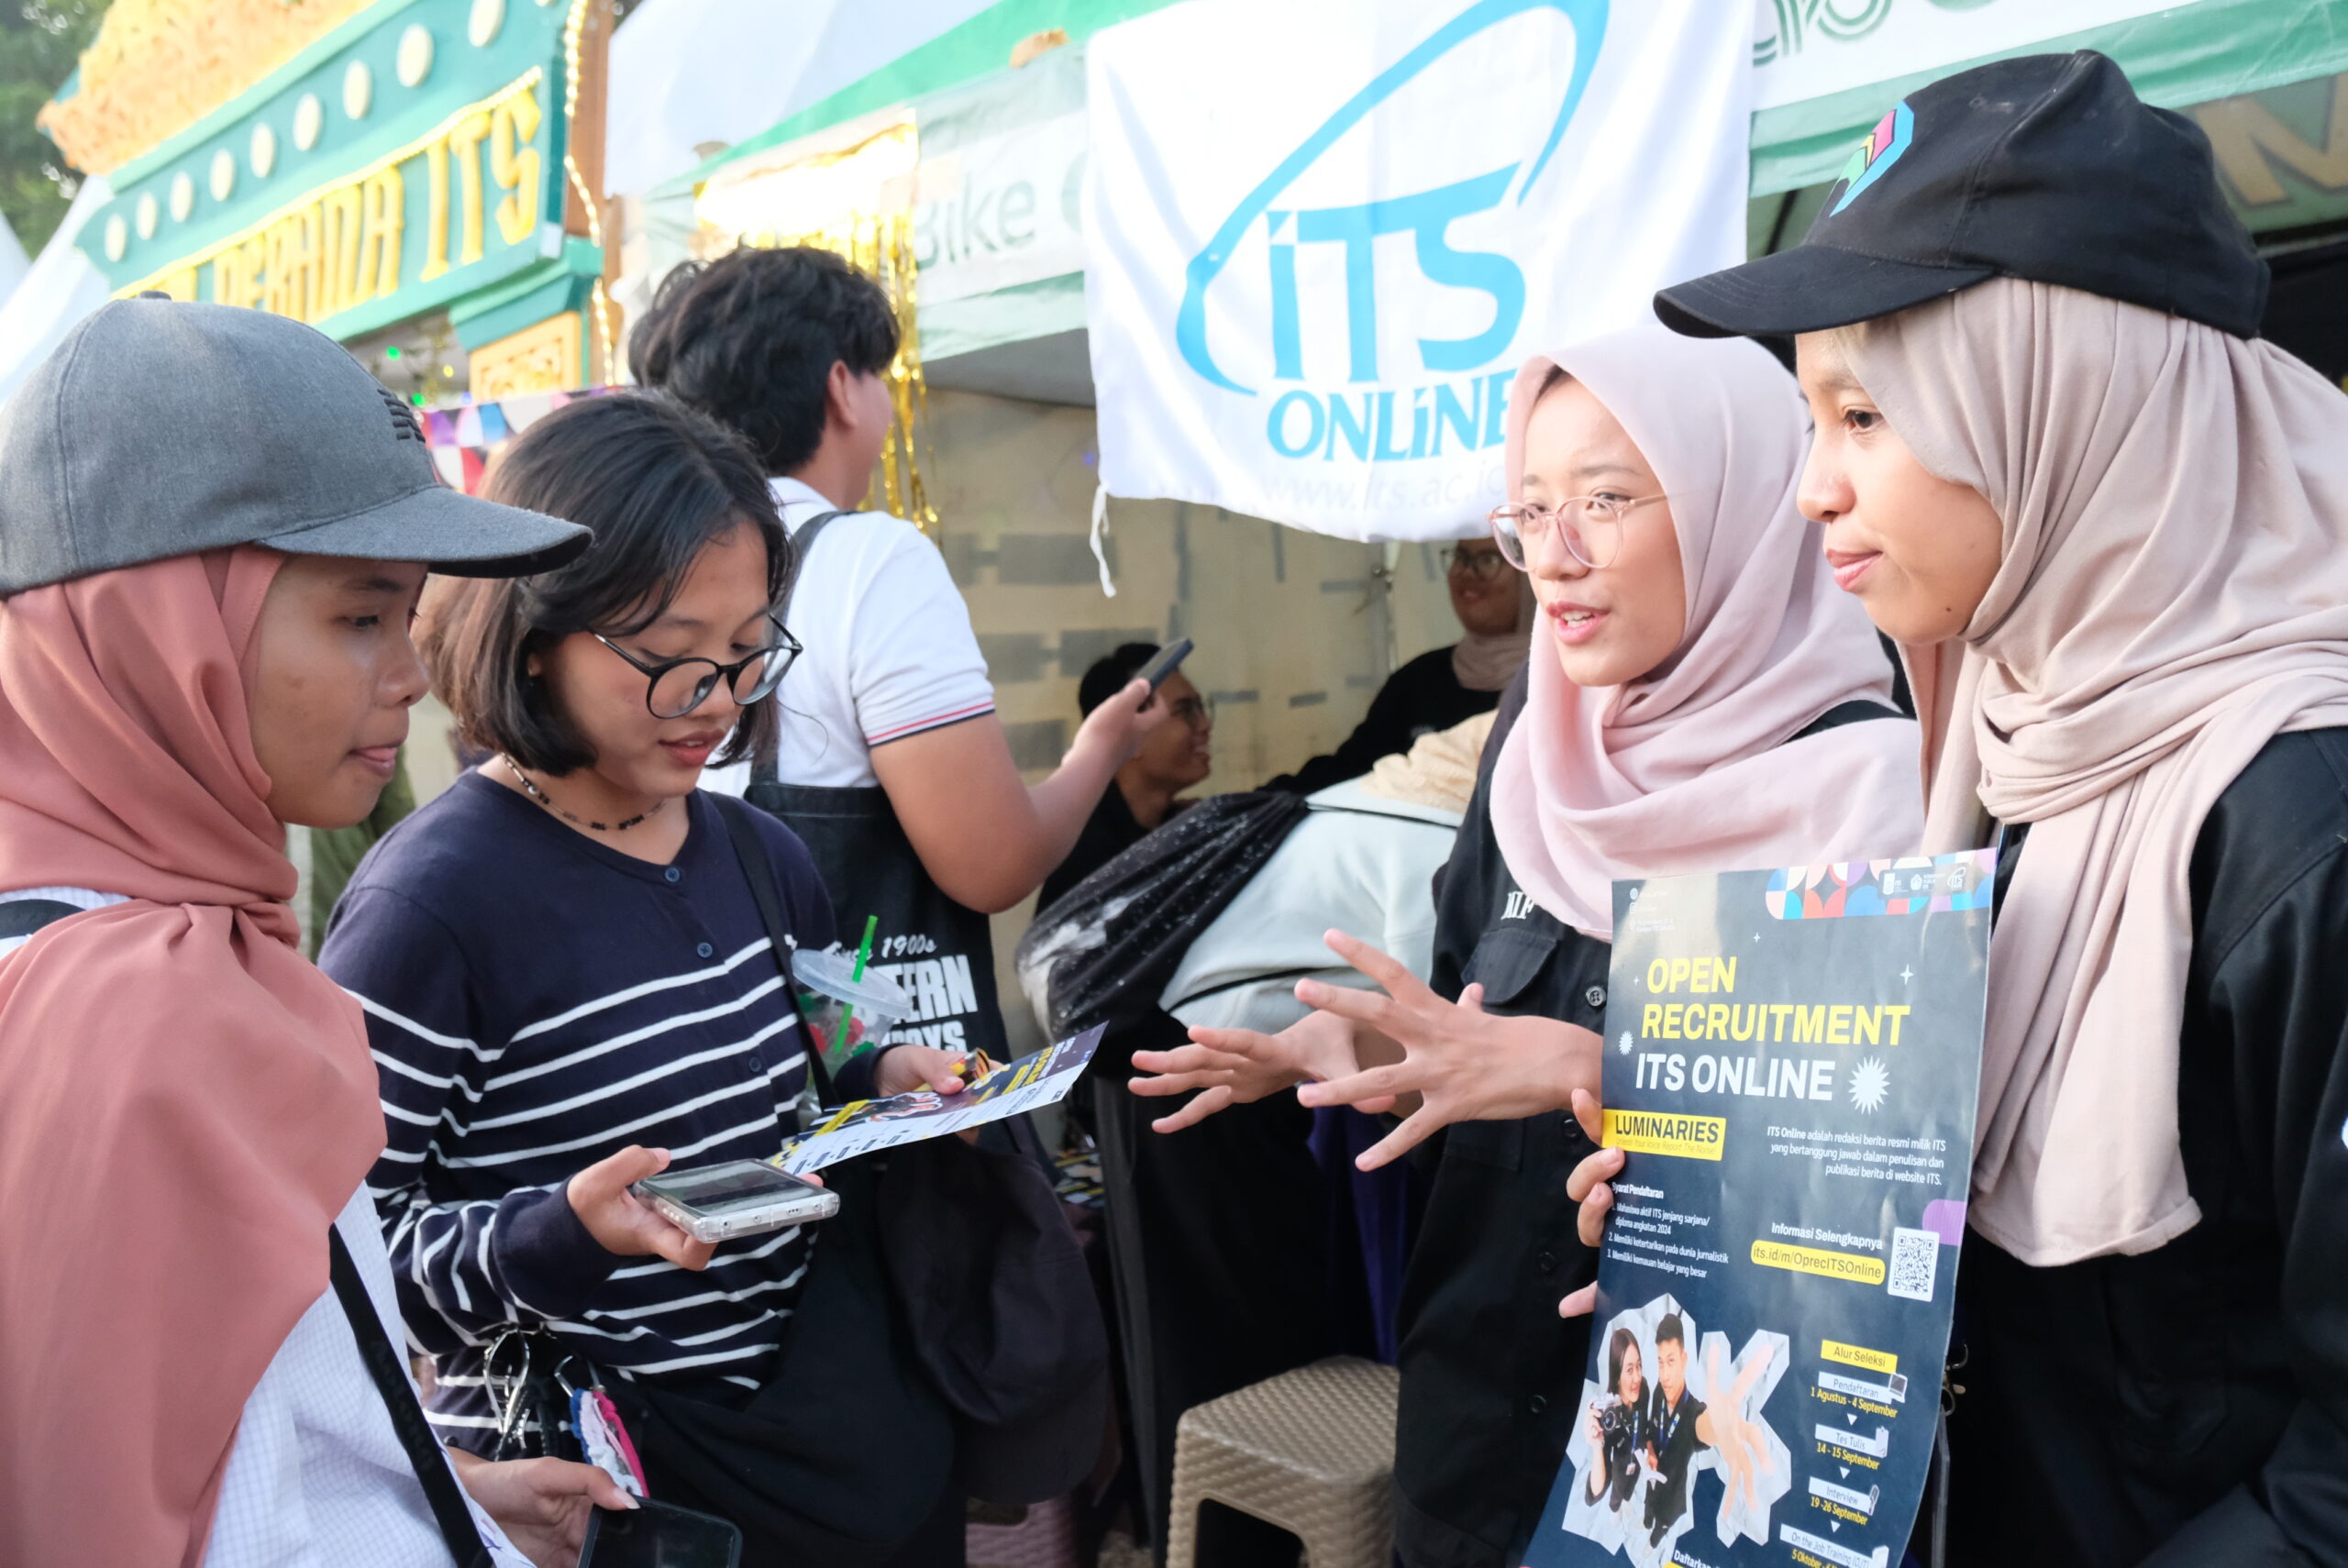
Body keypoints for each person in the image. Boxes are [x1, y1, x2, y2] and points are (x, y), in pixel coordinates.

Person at [1634, 49, 2348, 1567]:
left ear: (2065, 404)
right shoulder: (2005, 737)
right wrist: (1716, 1230)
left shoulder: (2301, 822)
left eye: (1864, 415)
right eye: (1810, 419)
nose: (1811, 488)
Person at [1128, 321, 1922, 1565]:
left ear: (1739, 499)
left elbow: (1871, 1172)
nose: (1553, 557)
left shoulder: (1869, 790)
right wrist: (1352, 1047)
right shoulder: (1533, 751)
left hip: (1716, 1455)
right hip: (1477, 1413)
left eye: (1603, 500)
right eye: (1529, 510)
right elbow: (1469, 1018)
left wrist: (1590, 1070)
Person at [0, 299, 634, 1567]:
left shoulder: (105, 947)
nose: (410, 673)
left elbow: (212, 1446)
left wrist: (436, 1494)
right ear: (156, 632)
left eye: (407, 615)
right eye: (359, 615)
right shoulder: (145, 1005)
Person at [318, 392, 980, 1564]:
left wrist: (888, 1076)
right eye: (672, 660)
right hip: (614, 1490)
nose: (717, 702)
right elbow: (344, 1275)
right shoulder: (430, 908)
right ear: (533, 632)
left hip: (830, 1423)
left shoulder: (765, 855)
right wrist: (563, 1232)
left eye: (747, 653)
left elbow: (827, 1048)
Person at [633, 245, 1165, 1060]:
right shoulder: (869, 559)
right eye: (880, 378)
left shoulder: (648, 562)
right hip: (888, 1082)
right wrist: (1102, 748)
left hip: (720, 1053)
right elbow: (991, 863)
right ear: (841, 387)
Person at [1265, 536, 1530, 793]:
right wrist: (1272, 798)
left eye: (1489, 560)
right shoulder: (1419, 678)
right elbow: (1355, 766)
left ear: (1530, 578)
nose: (1468, 573)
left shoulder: (1545, 685)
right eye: (1461, 557)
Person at [1036, 642, 1215, 910]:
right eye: (1186, 710)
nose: (1205, 725)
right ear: (1130, 734)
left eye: (1201, 708)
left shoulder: (1177, 826)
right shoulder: (1094, 861)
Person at [1638, 1317, 1708, 1547]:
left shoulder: (1694, 1411)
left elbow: (1705, 1428)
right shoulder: (1659, 1390)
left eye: (1671, 1361)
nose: (1665, 1375)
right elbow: (1650, 1430)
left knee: (1659, 1528)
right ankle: (1648, 1519)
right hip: (1652, 1483)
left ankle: (1656, 1536)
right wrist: (1650, 1450)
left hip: (1671, 1497)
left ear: (1684, 1360)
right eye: (1660, 1363)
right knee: (1648, 1513)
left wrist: (1720, 1423)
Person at [1584, 1328, 1647, 1511]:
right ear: (1616, 1375)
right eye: (1629, 1369)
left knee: (1630, 1488)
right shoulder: (1608, 1417)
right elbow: (1594, 1493)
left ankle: (1626, 1499)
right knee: (1617, 1497)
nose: (1637, 1377)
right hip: (1619, 1470)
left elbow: (1644, 1424)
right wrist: (1597, 1447)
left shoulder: (1643, 1389)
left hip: (1638, 1460)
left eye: (1639, 1366)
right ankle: (1615, 1507)